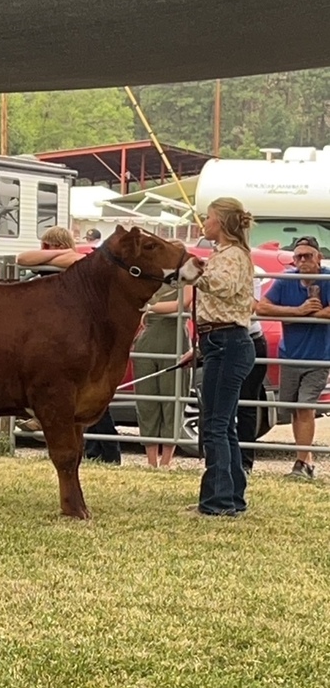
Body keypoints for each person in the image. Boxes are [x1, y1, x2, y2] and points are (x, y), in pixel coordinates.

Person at [15, 227, 121, 464]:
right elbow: (22, 258)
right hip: (57, 338)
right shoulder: (56, 261)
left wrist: (58, 255)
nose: (42, 250)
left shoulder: (81, 261)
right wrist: (54, 255)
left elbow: (74, 258)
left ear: (55, 244)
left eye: (46, 246)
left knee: (90, 399)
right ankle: (94, 452)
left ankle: (109, 454)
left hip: (81, 338)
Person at [188, 197, 256, 517]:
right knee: (223, 424)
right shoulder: (230, 254)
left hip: (226, 342)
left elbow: (224, 288)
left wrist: (192, 273)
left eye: (210, 217)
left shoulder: (232, 257)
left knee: (215, 424)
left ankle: (217, 501)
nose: (206, 222)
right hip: (223, 341)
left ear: (222, 222)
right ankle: (230, 496)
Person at [256, 235, 330, 479]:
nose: (302, 261)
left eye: (308, 255)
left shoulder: (327, 278)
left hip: (318, 357)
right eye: (298, 256)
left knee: (305, 407)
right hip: (289, 355)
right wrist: (297, 312)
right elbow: (262, 307)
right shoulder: (286, 280)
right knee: (294, 410)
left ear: (319, 257)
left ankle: (300, 463)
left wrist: (318, 314)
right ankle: (306, 459)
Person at [133, 283, 193, 468]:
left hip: (174, 340)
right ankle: (151, 461)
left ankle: (166, 461)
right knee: (146, 401)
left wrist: (149, 308)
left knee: (172, 400)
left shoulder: (186, 275)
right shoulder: (149, 274)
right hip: (148, 340)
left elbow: (184, 303)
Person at [236, 275, 268, 473]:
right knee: (221, 404)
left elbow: (252, 307)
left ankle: (245, 462)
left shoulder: (251, 272)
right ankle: (221, 460)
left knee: (247, 404)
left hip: (250, 338)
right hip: (223, 340)